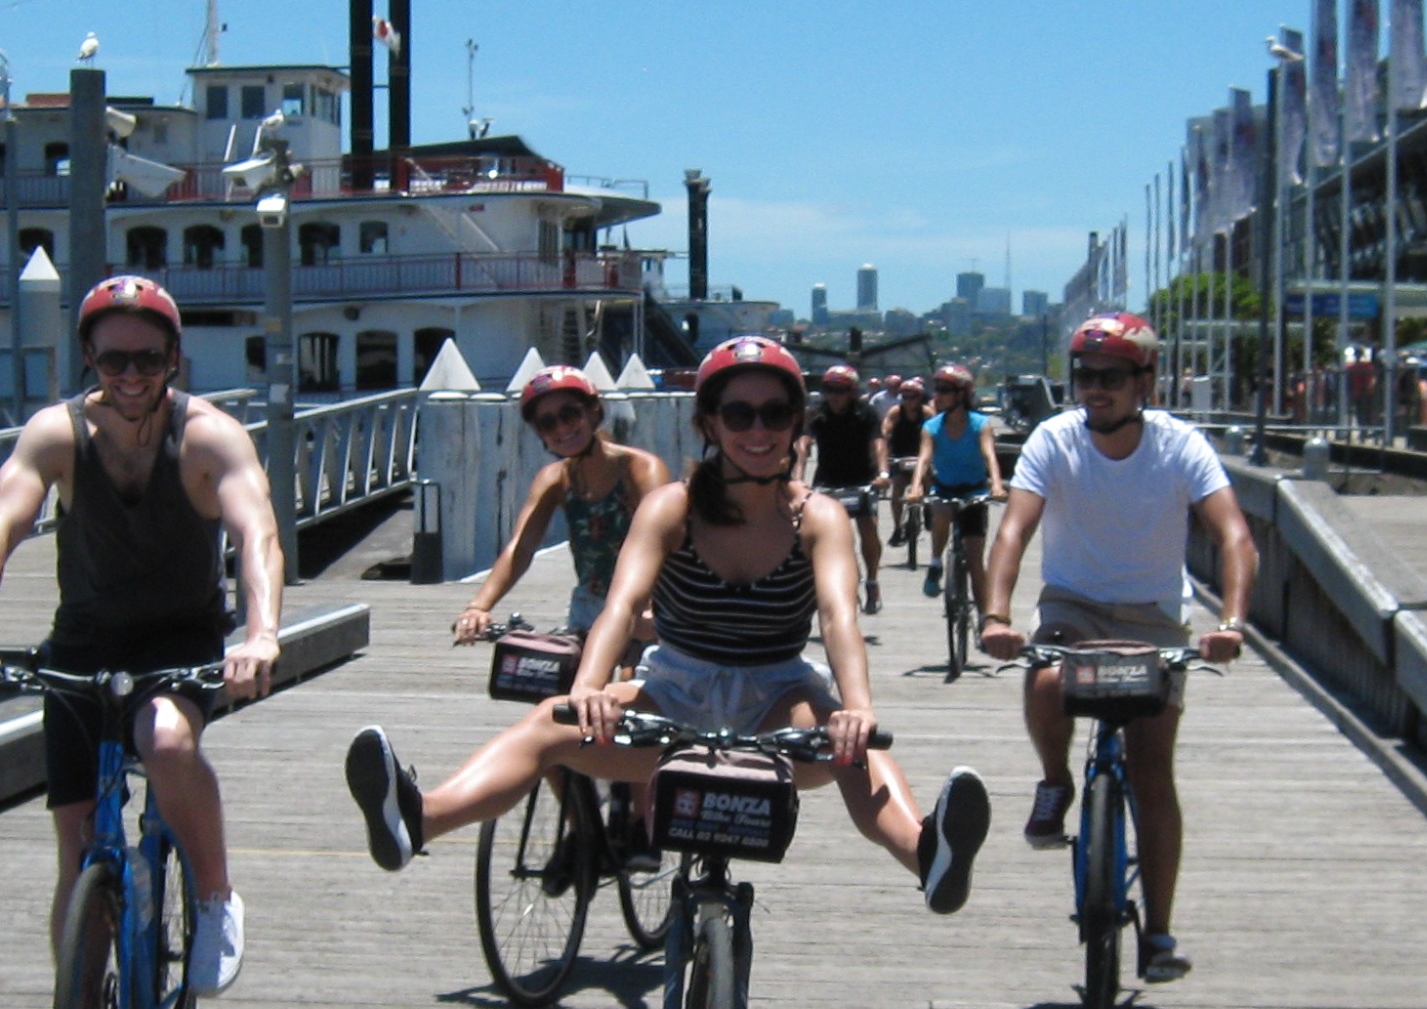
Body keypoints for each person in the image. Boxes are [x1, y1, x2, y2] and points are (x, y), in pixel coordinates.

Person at [343, 336, 990, 913]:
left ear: (797, 422)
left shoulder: (817, 515)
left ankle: (927, 854)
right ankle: (417, 820)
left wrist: (857, 707)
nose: (758, 430)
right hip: (674, 686)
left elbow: (838, 616)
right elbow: (621, 606)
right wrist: (589, 687)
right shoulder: (671, 507)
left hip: (778, 691)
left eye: (775, 413)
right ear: (709, 422)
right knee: (545, 726)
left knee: (857, 753)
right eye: (739, 414)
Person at [0, 275, 281, 1009]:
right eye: (114, 361)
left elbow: (258, 535)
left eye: (149, 361)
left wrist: (261, 634)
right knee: (78, 852)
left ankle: (217, 896)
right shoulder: (57, 434)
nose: (131, 377)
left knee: (164, 743)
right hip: (84, 646)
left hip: (179, 642)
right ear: (88, 358)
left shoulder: (208, 436)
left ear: (175, 360)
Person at [976, 314, 1254, 985]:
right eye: (1084, 376)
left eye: (1110, 377)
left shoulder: (1181, 446)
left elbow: (1235, 538)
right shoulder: (1054, 439)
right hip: (1074, 605)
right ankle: (1056, 780)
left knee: (1152, 766)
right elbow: (1013, 531)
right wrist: (995, 615)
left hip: (1154, 617)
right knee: (1045, 680)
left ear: (1145, 381)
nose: (1093, 390)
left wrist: (1234, 624)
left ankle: (1158, 933)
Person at [451, 366, 672, 640]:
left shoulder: (640, 470)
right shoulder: (554, 479)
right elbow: (520, 548)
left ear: (593, 411)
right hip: (590, 604)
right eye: (548, 423)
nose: (562, 428)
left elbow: (663, 543)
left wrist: (650, 606)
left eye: (570, 414)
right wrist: (478, 607)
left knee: (634, 678)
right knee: (561, 674)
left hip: (649, 602)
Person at [802, 362, 886, 614]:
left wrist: (883, 472)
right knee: (822, 535)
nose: (834, 396)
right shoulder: (817, 413)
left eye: (840, 390)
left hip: (862, 479)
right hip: (828, 481)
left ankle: (872, 580)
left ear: (852, 391)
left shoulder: (866, 412)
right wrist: (797, 475)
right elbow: (803, 444)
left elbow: (879, 443)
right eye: (829, 389)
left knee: (868, 529)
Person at [914, 363, 998, 601]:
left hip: (974, 491)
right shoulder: (932, 426)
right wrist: (917, 486)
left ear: (962, 394)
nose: (937, 396)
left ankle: (985, 619)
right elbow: (924, 458)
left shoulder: (980, 424)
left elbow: (989, 454)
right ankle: (936, 562)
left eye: (944, 390)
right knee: (941, 510)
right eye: (936, 389)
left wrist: (997, 485)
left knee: (974, 561)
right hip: (945, 488)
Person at [882, 375, 930, 547]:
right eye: (905, 397)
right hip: (900, 456)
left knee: (928, 477)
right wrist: (884, 453)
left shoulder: (927, 413)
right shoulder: (896, 412)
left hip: (921, 455)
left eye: (913, 396)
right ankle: (897, 527)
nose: (909, 401)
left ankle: (928, 509)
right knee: (897, 487)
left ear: (920, 398)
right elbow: (885, 433)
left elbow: (936, 434)